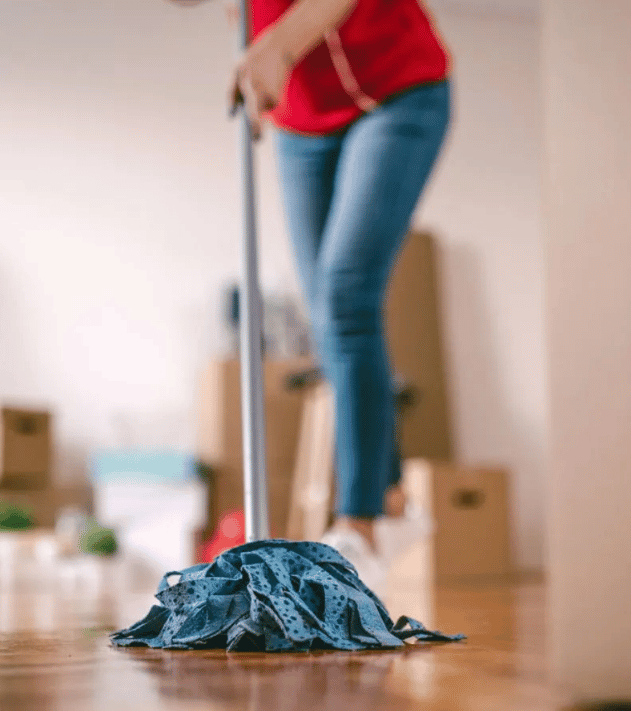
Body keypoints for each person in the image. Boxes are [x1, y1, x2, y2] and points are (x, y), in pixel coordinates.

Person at [177, 0, 452, 590]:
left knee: (348, 296)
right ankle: (394, 498)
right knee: (326, 314)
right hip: (303, 127)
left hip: (398, 93)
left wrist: (277, 44)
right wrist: (257, 66)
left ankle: (360, 523)